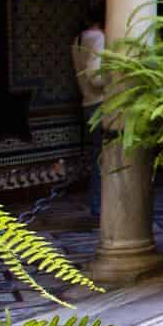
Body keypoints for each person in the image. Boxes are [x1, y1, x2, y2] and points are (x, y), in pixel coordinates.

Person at [72, 12, 106, 215]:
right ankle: (100, 206)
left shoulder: (78, 39)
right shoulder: (99, 37)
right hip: (102, 104)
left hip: (87, 104)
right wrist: (117, 75)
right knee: (105, 158)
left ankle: (96, 204)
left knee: (98, 156)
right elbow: (95, 76)